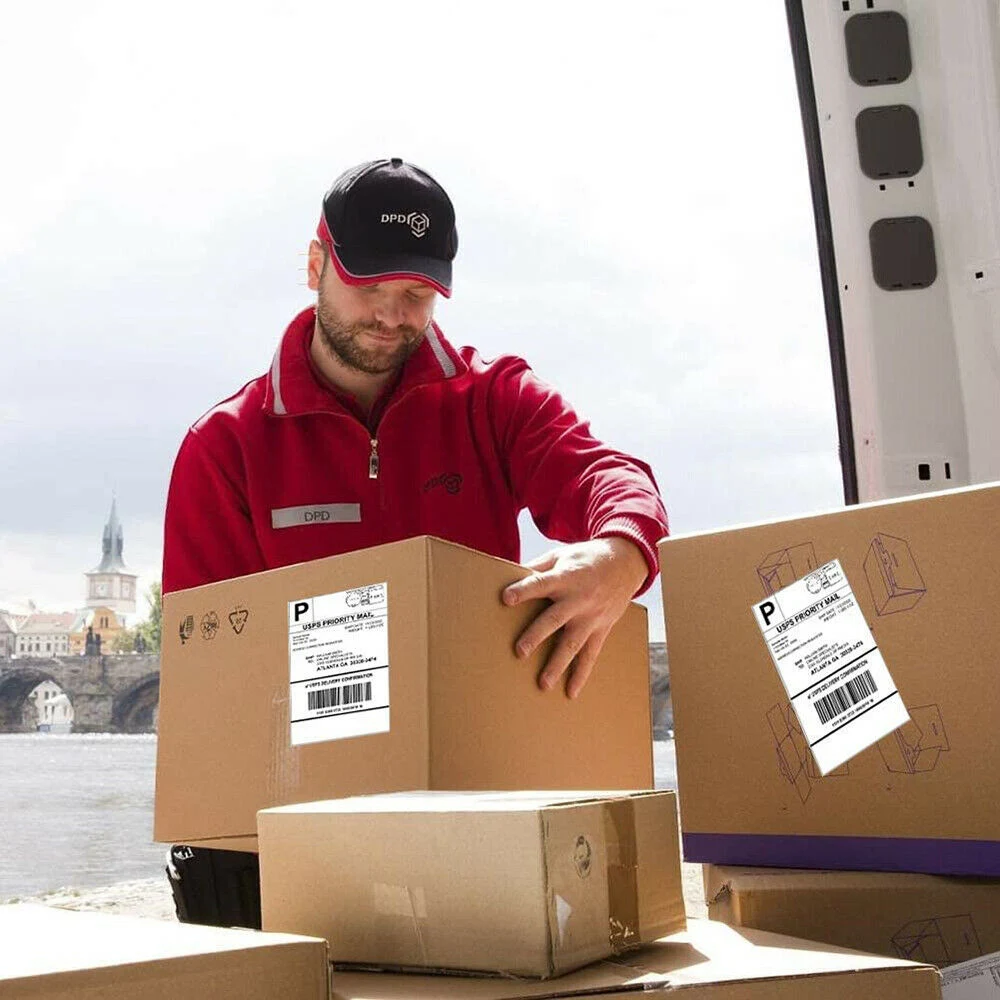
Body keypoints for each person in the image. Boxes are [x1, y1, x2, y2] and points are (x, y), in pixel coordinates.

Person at [162, 157, 670, 927]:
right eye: (369, 285)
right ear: (314, 264)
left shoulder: (496, 399)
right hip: (298, 820)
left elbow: (611, 476)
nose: (391, 315)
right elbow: (212, 684)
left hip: (475, 803)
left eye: (417, 293)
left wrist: (621, 553)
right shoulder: (224, 447)